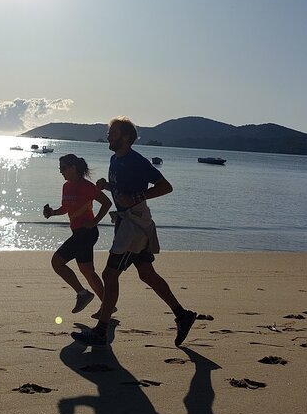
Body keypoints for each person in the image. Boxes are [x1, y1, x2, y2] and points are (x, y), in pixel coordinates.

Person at [71, 117, 197, 347]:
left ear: (126, 137)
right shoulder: (114, 159)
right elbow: (123, 190)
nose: (109, 135)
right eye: (109, 132)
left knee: (110, 275)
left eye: (113, 132)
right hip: (127, 224)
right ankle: (182, 315)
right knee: (146, 273)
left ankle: (101, 330)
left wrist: (137, 198)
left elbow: (165, 187)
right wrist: (106, 186)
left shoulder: (136, 161)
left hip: (134, 226)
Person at [44, 154, 113, 316]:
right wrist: (52, 212)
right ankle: (108, 307)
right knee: (87, 270)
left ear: (73, 168)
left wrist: (95, 221)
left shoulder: (86, 186)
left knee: (57, 262)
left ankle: (83, 294)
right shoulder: (66, 186)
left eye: (63, 168)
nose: (61, 171)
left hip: (86, 233)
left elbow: (107, 203)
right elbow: (66, 208)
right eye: (60, 168)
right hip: (79, 233)